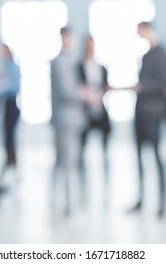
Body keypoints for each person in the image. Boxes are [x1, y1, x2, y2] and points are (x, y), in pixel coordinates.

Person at [126, 21, 166, 218]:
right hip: (141, 113)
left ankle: (162, 202)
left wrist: (142, 88)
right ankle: (141, 198)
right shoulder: (146, 55)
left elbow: (162, 83)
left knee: (156, 157)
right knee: (139, 157)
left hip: (153, 113)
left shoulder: (161, 53)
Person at [50, 27, 87, 215]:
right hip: (65, 120)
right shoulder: (60, 62)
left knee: (68, 162)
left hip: (72, 120)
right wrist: (86, 94)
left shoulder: (68, 61)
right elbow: (67, 92)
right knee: (65, 162)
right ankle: (64, 202)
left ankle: (68, 201)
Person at [77, 36, 111, 199]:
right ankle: (82, 187)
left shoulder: (101, 67)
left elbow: (105, 86)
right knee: (81, 150)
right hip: (86, 113)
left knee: (106, 149)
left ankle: (106, 184)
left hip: (100, 111)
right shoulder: (79, 67)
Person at [0, 44, 21, 195]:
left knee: (9, 141)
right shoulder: (6, 67)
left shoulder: (12, 67)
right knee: (8, 141)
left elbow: (13, 87)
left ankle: (11, 173)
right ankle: (11, 172)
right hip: (7, 106)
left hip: (11, 106)